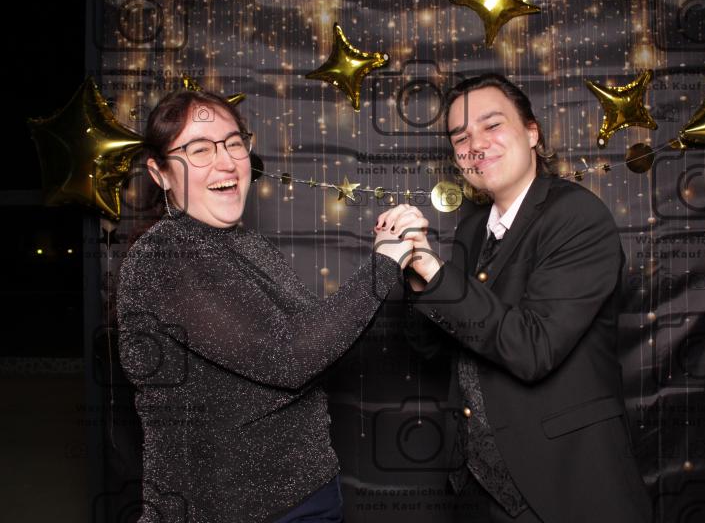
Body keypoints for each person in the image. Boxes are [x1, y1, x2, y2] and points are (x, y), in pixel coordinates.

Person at [116, 89, 424, 523]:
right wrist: (383, 265)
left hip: (313, 492)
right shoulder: (162, 259)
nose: (226, 162)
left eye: (234, 143)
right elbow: (289, 359)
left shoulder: (249, 245)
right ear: (160, 173)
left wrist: (392, 259)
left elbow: (319, 341)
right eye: (199, 150)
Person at [393, 73, 652, 522]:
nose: (476, 144)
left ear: (532, 133)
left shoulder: (577, 215)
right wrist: (418, 276)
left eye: (492, 125)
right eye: (461, 137)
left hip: (565, 485)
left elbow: (533, 349)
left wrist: (436, 272)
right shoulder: (472, 229)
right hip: (478, 489)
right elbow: (437, 348)